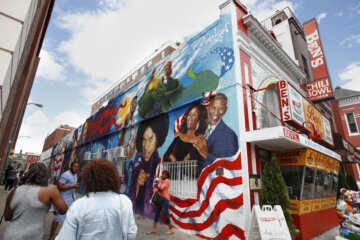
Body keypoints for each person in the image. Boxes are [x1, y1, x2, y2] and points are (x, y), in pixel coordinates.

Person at [56, 158, 137, 240]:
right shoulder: (124, 201)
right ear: (114, 177)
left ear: (88, 179)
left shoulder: (78, 206)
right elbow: (131, 235)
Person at [3, 162, 68, 240]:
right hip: (32, 236)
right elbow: (64, 209)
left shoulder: (14, 191)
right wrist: (56, 211)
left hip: (10, 235)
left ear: (28, 174)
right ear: (45, 175)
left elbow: (7, 217)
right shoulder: (50, 190)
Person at [129, 113, 169, 218]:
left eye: (151, 139)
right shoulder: (137, 168)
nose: (146, 146)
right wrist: (137, 185)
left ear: (158, 140)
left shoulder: (159, 168)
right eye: (144, 139)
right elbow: (131, 199)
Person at [164, 103, 208, 178]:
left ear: (199, 120)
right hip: (171, 178)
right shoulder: (179, 136)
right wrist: (179, 163)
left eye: (194, 115)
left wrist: (176, 161)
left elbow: (196, 167)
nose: (190, 118)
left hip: (187, 183)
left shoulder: (199, 142)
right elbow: (167, 155)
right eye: (189, 114)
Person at [201, 93, 239, 171]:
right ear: (208, 108)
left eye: (220, 108)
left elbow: (227, 166)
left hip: (212, 180)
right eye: (213, 108)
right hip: (193, 180)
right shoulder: (201, 129)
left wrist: (206, 155)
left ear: (225, 109)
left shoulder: (229, 135)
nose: (216, 112)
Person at [49, 162, 79, 240]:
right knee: (58, 217)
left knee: (70, 217)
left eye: (77, 167)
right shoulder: (66, 175)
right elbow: (59, 186)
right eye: (74, 167)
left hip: (71, 199)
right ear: (70, 167)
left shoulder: (75, 175)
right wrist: (72, 186)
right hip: (63, 199)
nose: (76, 168)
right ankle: (51, 236)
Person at [147, 170, 174, 235]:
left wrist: (159, 182)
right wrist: (159, 182)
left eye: (164, 174)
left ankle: (171, 229)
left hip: (165, 199)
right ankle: (154, 228)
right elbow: (156, 188)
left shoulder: (167, 181)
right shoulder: (162, 181)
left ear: (166, 176)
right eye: (162, 174)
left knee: (165, 213)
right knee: (157, 212)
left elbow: (161, 188)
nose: (162, 175)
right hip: (160, 199)